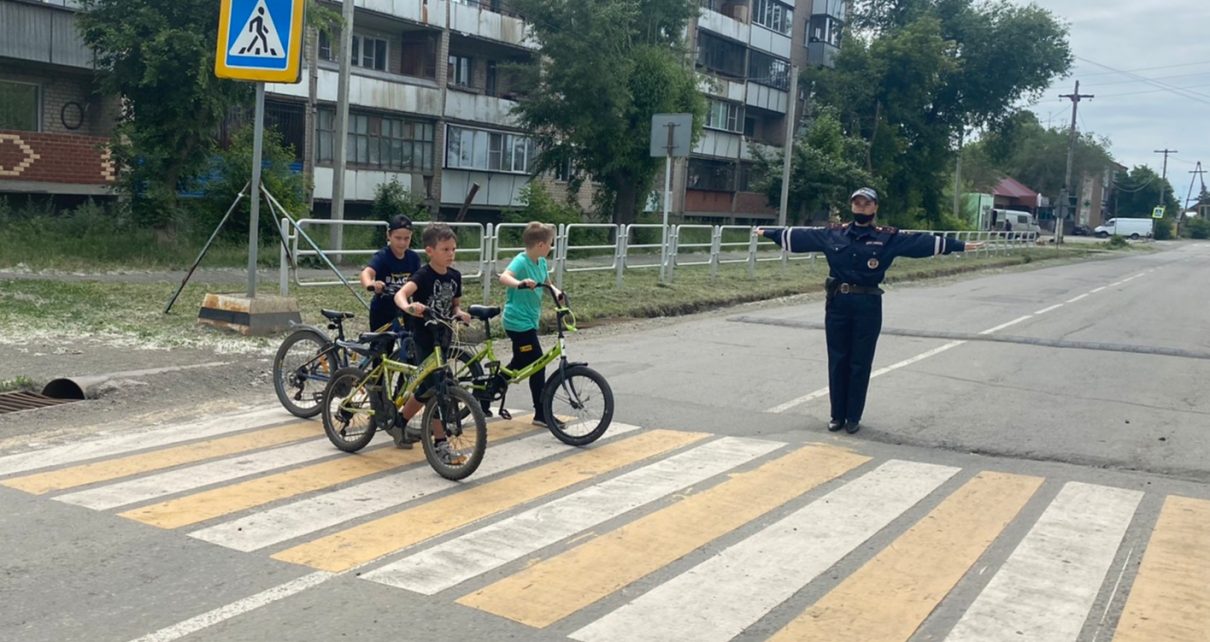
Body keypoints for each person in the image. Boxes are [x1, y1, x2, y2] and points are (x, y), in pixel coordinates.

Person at [755, 187, 985, 435]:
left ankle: (853, 417)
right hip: (838, 302)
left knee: (860, 362)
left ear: (875, 208)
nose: (861, 207)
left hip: (868, 303)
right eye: (857, 203)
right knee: (838, 359)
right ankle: (836, 416)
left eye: (867, 204)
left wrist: (960, 245)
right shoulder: (834, 234)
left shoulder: (887, 237)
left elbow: (921, 243)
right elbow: (802, 237)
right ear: (851, 206)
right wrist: (768, 232)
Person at [391, 223, 472, 460]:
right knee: (435, 388)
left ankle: (401, 420)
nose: (450, 254)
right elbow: (401, 294)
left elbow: (454, 304)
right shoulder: (423, 275)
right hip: (424, 337)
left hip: (444, 337)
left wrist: (460, 312)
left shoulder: (455, 276)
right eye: (445, 249)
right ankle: (440, 443)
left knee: (435, 387)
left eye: (453, 249)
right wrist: (408, 307)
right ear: (430, 251)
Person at [498, 222, 560, 427]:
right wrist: (520, 283)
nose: (552, 247)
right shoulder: (521, 260)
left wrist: (556, 292)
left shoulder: (541, 262)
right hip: (517, 321)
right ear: (541, 244)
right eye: (551, 243)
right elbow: (504, 277)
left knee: (522, 361)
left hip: (529, 320)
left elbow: (547, 282)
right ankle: (541, 414)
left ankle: (490, 389)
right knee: (537, 364)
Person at [359, 214, 421, 332]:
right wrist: (371, 284)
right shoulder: (382, 256)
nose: (402, 243)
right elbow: (366, 273)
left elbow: (420, 280)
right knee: (381, 347)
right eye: (398, 238)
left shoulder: (414, 258)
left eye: (406, 238)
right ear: (389, 235)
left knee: (409, 344)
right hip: (382, 310)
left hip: (405, 308)